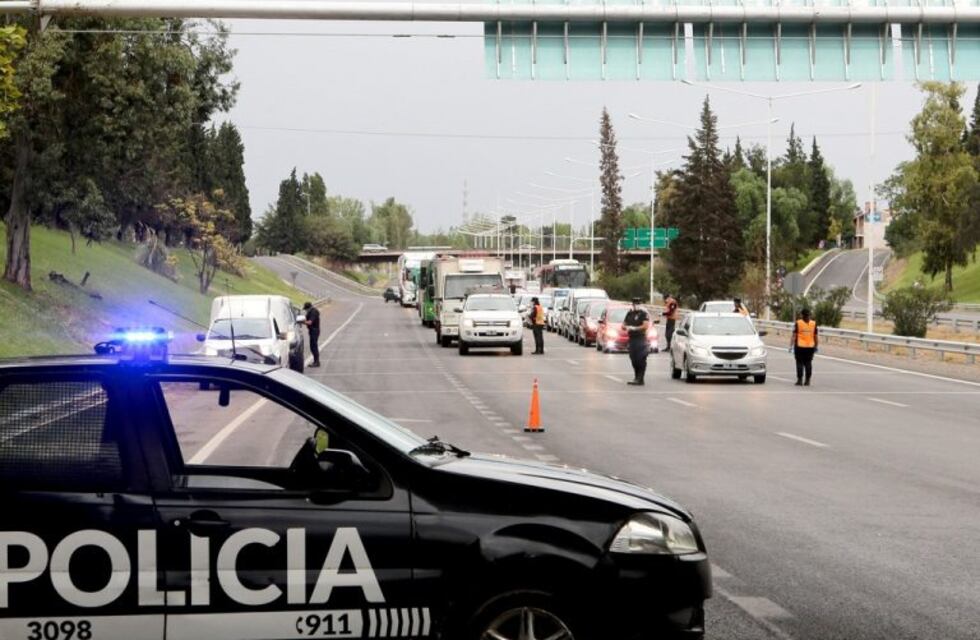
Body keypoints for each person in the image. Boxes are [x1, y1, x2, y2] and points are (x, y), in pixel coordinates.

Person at [622, 297, 651, 386]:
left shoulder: (643, 314)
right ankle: (636, 377)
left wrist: (635, 328)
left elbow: (645, 325)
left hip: (640, 339)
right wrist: (626, 327)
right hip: (632, 339)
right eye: (635, 304)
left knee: (640, 359)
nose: (636, 305)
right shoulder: (629, 313)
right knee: (633, 359)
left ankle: (640, 378)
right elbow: (623, 325)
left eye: (638, 304)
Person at [791, 308, 818, 386]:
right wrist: (816, 346)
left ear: (802, 315)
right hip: (810, 347)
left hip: (800, 346)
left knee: (799, 363)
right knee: (808, 363)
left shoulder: (798, 323)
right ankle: (808, 380)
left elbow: (794, 336)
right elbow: (816, 336)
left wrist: (791, 345)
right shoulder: (813, 324)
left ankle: (800, 380)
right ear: (809, 315)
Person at [303, 301, 321, 368]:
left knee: (314, 347)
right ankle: (316, 361)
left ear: (309, 308)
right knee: (312, 346)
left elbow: (310, 322)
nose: (305, 310)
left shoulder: (313, 312)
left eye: (306, 309)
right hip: (313, 330)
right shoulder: (312, 311)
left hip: (314, 331)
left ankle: (317, 362)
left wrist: (302, 322)